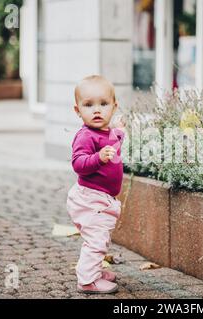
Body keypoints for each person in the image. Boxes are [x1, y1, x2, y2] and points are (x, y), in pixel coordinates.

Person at [66, 75, 125, 294]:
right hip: (90, 199)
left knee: (100, 237)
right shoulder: (85, 136)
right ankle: (87, 280)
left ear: (114, 107)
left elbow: (113, 143)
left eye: (103, 104)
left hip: (100, 198)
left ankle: (94, 271)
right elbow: (78, 164)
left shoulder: (106, 132)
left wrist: (119, 131)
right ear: (77, 110)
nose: (97, 110)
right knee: (96, 240)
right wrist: (98, 158)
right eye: (89, 105)